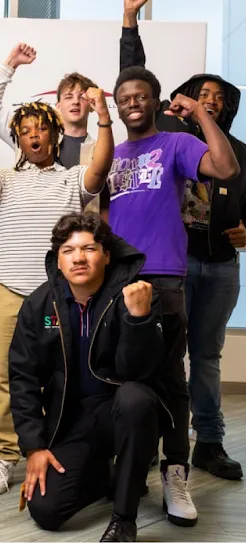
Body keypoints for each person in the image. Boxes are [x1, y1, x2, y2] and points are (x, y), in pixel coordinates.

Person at [108, 64, 240, 526]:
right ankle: (131, 466)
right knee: (123, 379)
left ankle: (175, 472)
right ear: (117, 104)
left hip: (163, 277)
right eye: (124, 97)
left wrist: (202, 113)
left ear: (156, 101)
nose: (132, 103)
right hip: (116, 282)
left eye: (141, 95)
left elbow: (225, 168)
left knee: (170, 380)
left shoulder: (176, 144)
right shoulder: (114, 152)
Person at [121, 0, 246, 482]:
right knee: (159, 360)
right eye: (203, 93)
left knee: (206, 357)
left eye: (218, 97)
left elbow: (232, 173)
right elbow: (134, 78)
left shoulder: (231, 150)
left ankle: (207, 443)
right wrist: (130, 21)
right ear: (183, 97)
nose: (211, 99)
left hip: (217, 266)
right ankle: (150, 442)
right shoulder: (164, 133)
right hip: (168, 265)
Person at [0, 91, 114, 494]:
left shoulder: (71, 178)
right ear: (18, 138)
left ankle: (50, 447)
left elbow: (99, 172)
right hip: (9, 291)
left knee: (61, 376)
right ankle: (4, 454)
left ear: (54, 136)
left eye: (42, 129)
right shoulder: (5, 179)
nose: (34, 136)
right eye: (26, 131)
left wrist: (103, 119)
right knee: (6, 376)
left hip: (60, 295)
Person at [10, 212, 166, 542]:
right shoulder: (39, 305)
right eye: (68, 250)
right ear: (58, 259)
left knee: (135, 397)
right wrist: (34, 447)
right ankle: (111, 475)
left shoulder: (134, 296)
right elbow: (22, 377)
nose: (78, 258)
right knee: (46, 510)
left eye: (89, 248)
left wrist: (139, 320)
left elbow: (139, 374)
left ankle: (124, 518)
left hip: (122, 413)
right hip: (70, 421)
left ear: (107, 255)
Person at [0, 43, 103, 213]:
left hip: (80, 236)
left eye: (81, 97)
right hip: (33, 231)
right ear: (58, 106)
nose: (75, 102)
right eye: (68, 96)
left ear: (91, 105)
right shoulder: (30, 138)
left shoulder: (101, 150)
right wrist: (11, 64)